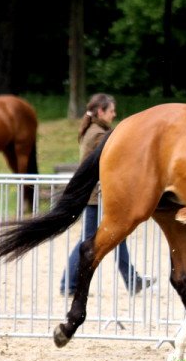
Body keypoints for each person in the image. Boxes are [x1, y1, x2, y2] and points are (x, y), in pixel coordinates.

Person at [60, 93, 154, 297]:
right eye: (111, 111)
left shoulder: (93, 130)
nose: (114, 114)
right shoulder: (98, 135)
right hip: (97, 196)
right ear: (101, 111)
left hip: (97, 195)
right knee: (92, 239)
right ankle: (69, 284)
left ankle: (131, 280)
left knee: (113, 237)